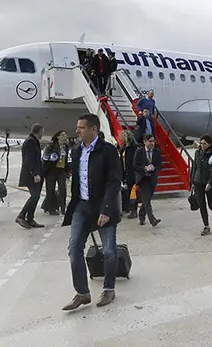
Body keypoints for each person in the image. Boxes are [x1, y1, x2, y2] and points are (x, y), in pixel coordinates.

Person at [61, 113, 122, 310]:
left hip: (103, 206)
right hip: (81, 206)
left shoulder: (108, 151)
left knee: (110, 251)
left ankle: (109, 289)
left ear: (93, 129)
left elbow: (114, 182)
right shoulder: (77, 150)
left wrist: (106, 209)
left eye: (81, 127)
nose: (77, 130)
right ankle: (82, 293)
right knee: (74, 249)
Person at [190, 135, 212, 235]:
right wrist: (192, 181)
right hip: (198, 181)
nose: (202, 145)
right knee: (201, 204)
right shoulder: (197, 153)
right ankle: (206, 226)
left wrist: (210, 182)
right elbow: (194, 167)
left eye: (205, 144)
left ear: (210, 144)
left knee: (211, 204)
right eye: (201, 143)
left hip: (209, 182)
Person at [16, 123, 45, 229]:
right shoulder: (30, 142)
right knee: (35, 196)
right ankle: (21, 216)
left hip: (35, 174)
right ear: (38, 131)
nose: (43, 134)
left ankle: (30, 218)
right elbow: (30, 159)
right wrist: (35, 173)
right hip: (30, 175)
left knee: (36, 196)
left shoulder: (34, 141)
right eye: (42, 131)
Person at [133, 133, 162, 227]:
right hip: (143, 179)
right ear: (144, 142)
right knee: (147, 200)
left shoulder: (157, 151)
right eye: (150, 141)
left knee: (147, 199)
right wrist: (145, 168)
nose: (152, 143)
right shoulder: (139, 152)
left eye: (153, 141)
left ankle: (141, 216)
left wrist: (154, 167)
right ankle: (152, 219)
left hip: (152, 178)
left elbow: (160, 165)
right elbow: (135, 166)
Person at [41, 130, 71, 215]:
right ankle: (51, 209)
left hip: (61, 170)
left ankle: (63, 208)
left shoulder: (66, 146)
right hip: (51, 170)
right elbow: (45, 157)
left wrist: (68, 171)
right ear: (58, 136)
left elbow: (66, 160)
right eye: (62, 135)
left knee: (63, 190)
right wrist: (52, 157)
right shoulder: (51, 146)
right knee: (50, 190)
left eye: (65, 134)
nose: (64, 136)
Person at [117, 130, 138, 218]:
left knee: (133, 192)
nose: (121, 138)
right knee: (128, 191)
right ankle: (129, 208)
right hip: (126, 172)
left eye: (122, 136)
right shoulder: (124, 147)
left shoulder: (134, 148)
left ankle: (134, 210)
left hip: (132, 172)